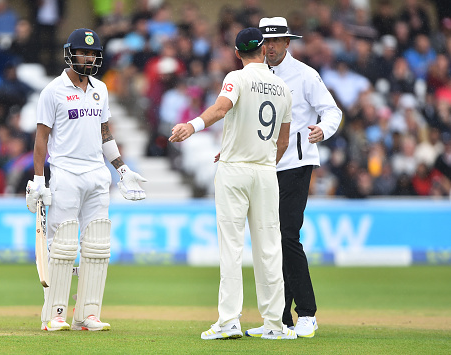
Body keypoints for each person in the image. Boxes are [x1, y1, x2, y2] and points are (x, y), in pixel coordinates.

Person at [169, 27, 295, 340]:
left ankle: (229, 321)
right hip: (266, 173)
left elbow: (222, 108)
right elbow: (282, 140)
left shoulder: (235, 78)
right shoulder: (283, 87)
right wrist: (261, 161)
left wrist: (191, 125)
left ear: (237, 53)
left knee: (232, 248)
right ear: (264, 51)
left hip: (234, 171)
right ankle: (275, 325)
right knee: (269, 249)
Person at [25, 28, 147, 332]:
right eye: (84, 52)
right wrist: (39, 179)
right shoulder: (52, 91)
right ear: (70, 54)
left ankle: (87, 314)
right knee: (63, 245)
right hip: (65, 171)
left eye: (93, 53)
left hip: (96, 174)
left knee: (97, 245)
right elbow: (42, 138)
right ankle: (54, 315)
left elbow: (105, 134)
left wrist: (121, 168)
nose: (89, 58)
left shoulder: (101, 89)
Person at [246, 17, 343, 338]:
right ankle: (279, 320)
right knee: (271, 243)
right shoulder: (253, 75)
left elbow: (332, 111)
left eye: (276, 41)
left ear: (288, 43)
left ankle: (307, 313)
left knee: (287, 236)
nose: (270, 47)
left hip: (296, 164)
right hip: (262, 167)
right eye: (265, 42)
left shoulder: (304, 75)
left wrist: (322, 129)